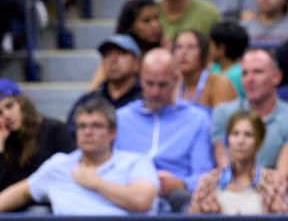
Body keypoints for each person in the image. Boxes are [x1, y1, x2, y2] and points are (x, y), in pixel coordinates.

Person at [0, 100, 158, 215]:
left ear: (113, 132)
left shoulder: (135, 162)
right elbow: (22, 191)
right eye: (82, 126)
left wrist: (97, 184)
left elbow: (142, 201)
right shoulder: (59, 165)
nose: (88, 132)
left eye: (96, 126)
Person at [114, 48, 213, 211]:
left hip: (177, 200)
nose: (155, 92)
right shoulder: (120, 119)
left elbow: (204, 175)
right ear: (140, 80)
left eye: (162, 85)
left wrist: (180, 183)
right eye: (149, 83)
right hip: (127, 198)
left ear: (176, 80)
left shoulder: (197, 119)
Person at [210, 48, 288, 189]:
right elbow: (226, 167)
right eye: (245, 73)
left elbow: (282, 179)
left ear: (276, 77)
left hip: (277, 202)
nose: (250, 79)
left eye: (258, 72)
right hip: (230, 194)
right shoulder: (223, 113)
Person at [0, 78, 74, 197]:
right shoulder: (5, 141)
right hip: (16, 211)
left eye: (9, 106)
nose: (6, 115)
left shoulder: (54, 129)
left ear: (22, 103)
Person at [188, 111, 288, 215]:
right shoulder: (207, 182)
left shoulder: (274, 182)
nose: (240, 141)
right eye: (235, 134)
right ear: (228, 140)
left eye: (248, 135)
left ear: (259, 143)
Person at [68, 34, 143, 130]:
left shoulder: (147, 100)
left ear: (137, 63)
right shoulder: (88, 100)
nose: (113, 60)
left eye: (121, 53)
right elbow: (72, 132)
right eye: (107, 54)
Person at [172, 29, 235, 108]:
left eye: (191, 47)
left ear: (203, 53)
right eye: (179, 47)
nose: (184, 52)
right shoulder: (171, 85)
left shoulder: (219, 83)